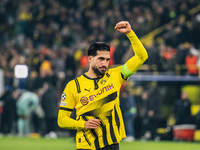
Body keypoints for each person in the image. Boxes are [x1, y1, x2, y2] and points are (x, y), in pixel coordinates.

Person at [57, 21, 148, 150]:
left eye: (107, 60)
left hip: (112, 143)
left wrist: (130, 33)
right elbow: (62, 119)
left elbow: (141, 57)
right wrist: (83, 124)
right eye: (100, 59)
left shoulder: (116, 75)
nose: (104, 63)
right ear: (90, 59)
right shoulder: (73, 86)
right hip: (87, 145)